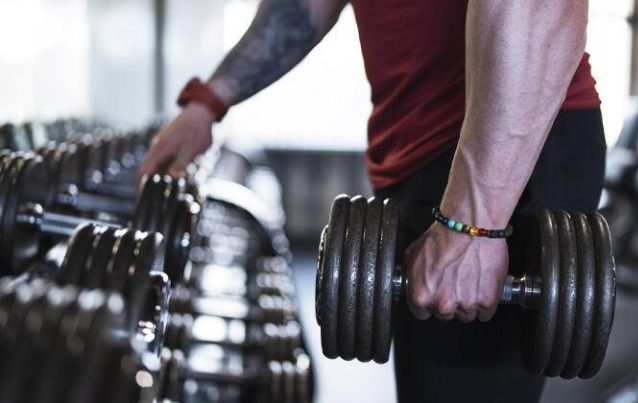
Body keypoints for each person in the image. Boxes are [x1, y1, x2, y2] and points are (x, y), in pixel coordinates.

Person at [140, 0, 605, 402]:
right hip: (426, 157)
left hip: (503, 145)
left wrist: (475, 223)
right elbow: (302, 7)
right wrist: (208, 102)